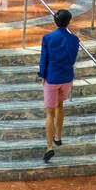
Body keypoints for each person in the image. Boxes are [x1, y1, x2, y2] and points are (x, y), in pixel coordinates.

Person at [38, 8, 80, 162]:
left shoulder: (48, 38)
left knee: (50, 112)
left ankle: (49, 146)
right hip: (67, 77)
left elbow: (44, 59)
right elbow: (73, 58)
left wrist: (42, 75)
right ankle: (58, 136)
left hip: (52, 78)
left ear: (55, 21)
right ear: (69, 21)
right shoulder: (75, 40)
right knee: (60, 106)